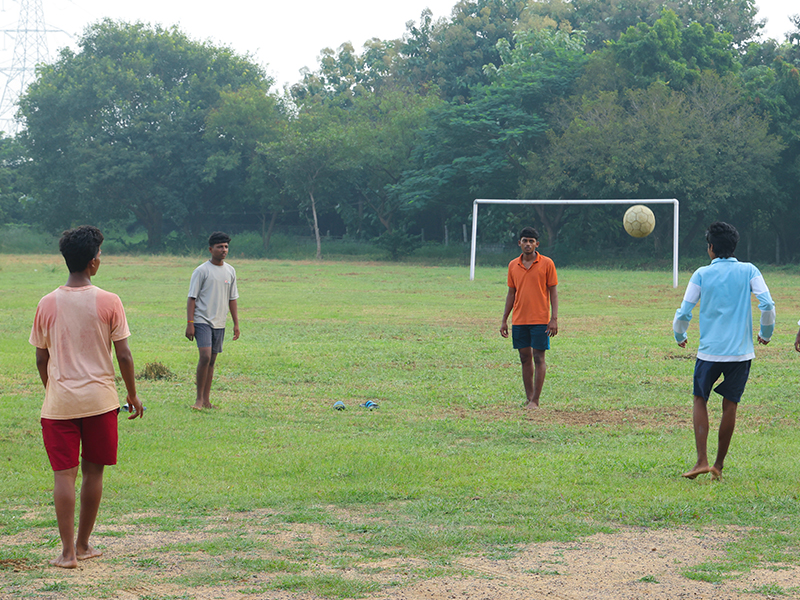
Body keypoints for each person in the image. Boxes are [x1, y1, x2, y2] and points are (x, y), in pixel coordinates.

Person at [29, 225, 143, 569]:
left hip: (60, 404)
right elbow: (123, 355)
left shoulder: (47, 303)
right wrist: (133, 394)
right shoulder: (110, 301)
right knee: (94, 474)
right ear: (93, 263)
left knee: (63, 475)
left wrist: (53, 390)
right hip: (100, 402)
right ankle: (83, 545)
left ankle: (66, 554)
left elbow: (40, 357)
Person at [673, 222, 775, 481]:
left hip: (709, 353)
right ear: (734, 246)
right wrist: (766, 334)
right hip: (740, 354)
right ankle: (717, 466)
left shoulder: (701, 274)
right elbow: (767, 305)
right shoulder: (749, 270)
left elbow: (684, 311)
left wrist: (680, 334)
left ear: (710, 248)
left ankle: (701, 461)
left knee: (700, 399)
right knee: (730, 406)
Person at [500, 226, 559, 408]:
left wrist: (554, 318)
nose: (528, 244)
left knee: (538, 357)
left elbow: (553, 292)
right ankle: (528, 396)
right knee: (524, 357)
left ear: (537, 244)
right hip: (519, 320)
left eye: (531, 241)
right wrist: (504, 319)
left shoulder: (547, 263)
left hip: (540, 319)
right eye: (524, 241)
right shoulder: (512, 265)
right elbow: (511, 293)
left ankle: (536, 400)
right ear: (519, 243)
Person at [185, 231, 240, 410]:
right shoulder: (201, 271)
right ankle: (198, 400)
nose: (223, 250)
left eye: (226, 247)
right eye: (219, 247)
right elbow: (192, 298)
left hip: (220, 322)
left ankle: (207, 400)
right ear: (211, 249)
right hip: (202, 320)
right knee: (205, 356)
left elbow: (232, 299)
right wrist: (190, 323)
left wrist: (236, 324)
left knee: (212, 361)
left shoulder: (230, 271)